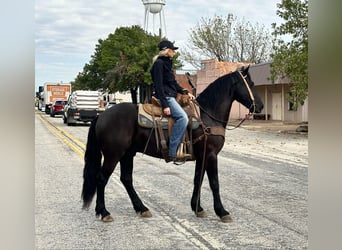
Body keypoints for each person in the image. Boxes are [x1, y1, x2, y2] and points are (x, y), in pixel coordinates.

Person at [150, 40, 194, 162]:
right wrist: (165, 105)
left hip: (171, 95)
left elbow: (173, 83)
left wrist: (185, 92)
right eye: (172, 50)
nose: (174, 52)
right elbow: (158, 85)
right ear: (166, 50)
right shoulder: (159, 64)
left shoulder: (167, 63)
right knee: (182, 118)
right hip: (166, 97)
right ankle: (172, 151)